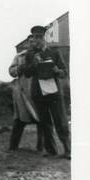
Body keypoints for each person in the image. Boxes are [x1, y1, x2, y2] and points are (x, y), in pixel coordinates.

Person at [20, 25, 70, 158]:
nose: (37, 39)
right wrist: (34, 63)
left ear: (45, 38)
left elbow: (64, 72)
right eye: (35, 37)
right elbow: (27, 73)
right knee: (45, 122)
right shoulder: (30, 54)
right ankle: (51, 151)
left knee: (60, 120)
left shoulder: (55, 52)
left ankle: (67, 150)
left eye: (40, 37)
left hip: (54, 92)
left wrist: (57, 71)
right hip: (38, 93)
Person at [8, 39, 45, 152]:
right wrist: (19, 68)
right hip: (24, 92)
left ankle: (41, 147)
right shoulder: (20, 56)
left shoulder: (43, 54)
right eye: (30, 42)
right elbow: (11, 71)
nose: (32, 43)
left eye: (35, 41)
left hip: (40, 91)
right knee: (19, 120)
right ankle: (13, 147)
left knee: (42, 120)